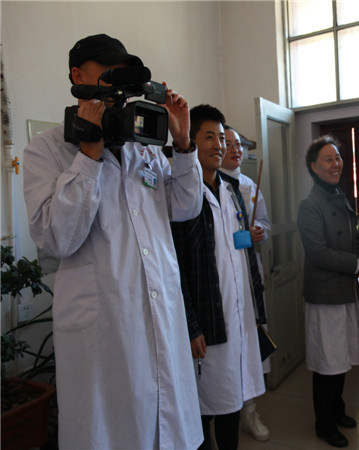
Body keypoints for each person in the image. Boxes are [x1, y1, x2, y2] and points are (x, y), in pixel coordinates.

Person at [23, 34, 204, 449]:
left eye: (123, 77)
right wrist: (88, 155)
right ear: (78, 76)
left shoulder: (146, 149)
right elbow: (56, 238)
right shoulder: (48, 149)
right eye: (107, 74)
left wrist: (182, 144)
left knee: (165, 428)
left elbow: (185, 207)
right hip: (105, 330)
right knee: (111, 429)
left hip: (159, 315)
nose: (116, 86)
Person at [170, 105, 266, 450]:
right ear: (192, 142)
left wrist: (256, 310)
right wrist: (191, 325)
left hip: (238, 316)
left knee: (233, 400)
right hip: (208, 320)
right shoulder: (182, 193)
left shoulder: (232, 188)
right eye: (209, 137)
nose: (219, 145)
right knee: (204, 407)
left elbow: (235, 246)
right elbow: (177, 264)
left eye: (222, 138)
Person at [297, 135, 359, 448]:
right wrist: (357, 265)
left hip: (345, 291)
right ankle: (324, 424)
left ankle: (338, 409)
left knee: (341, 357)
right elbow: (318, 252)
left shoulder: (342, 196)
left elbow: (357, 231)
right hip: (325, 295)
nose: (336, 164)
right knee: (326, 363)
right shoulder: (309, 205)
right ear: (314, 167)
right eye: (328, 159)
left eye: (338, 158)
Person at [220, 125, 271, 442]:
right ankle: (226, 410)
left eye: (238, 144)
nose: (235, 149)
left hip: (250, 277)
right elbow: (220, 238)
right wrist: (243, 237)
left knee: (252, 344)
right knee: (230, 348)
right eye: (228, 143)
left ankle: (249, 411)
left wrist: (260, 232)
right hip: (227, 281)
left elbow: (264, 223)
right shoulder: (210, 185)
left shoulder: (250, 185)